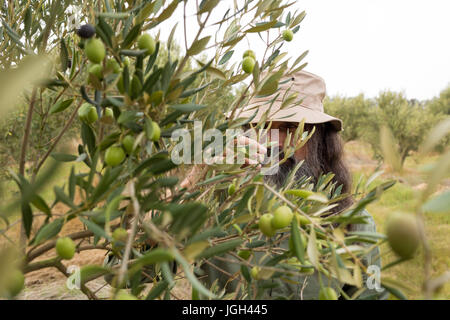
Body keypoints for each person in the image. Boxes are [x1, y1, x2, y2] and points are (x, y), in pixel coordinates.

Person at [192, 70, 388, 300]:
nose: (274, 141)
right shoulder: (212, 206)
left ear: (320, 140)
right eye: (263, 126)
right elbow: (142, 262)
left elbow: (371, 294)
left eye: (291, 127)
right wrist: (196, 179)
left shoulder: (355, 223)